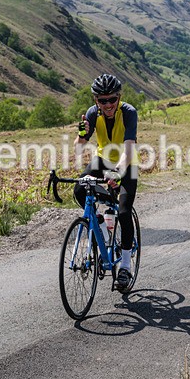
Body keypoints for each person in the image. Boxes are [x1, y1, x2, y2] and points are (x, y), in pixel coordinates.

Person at [75, 74, 139, 291]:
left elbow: (129, 148)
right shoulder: (93, 114)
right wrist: (82, 135)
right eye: (103, 100)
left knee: (123, 212)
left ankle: (126, 266)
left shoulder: (128, 112)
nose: (108, 104)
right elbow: (79, 146)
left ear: (119, 97)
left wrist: (118, 173)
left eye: (112, 99)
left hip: (127, 164)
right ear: (96, 101)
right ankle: (100, 225)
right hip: (102, 161)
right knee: (80, 191)